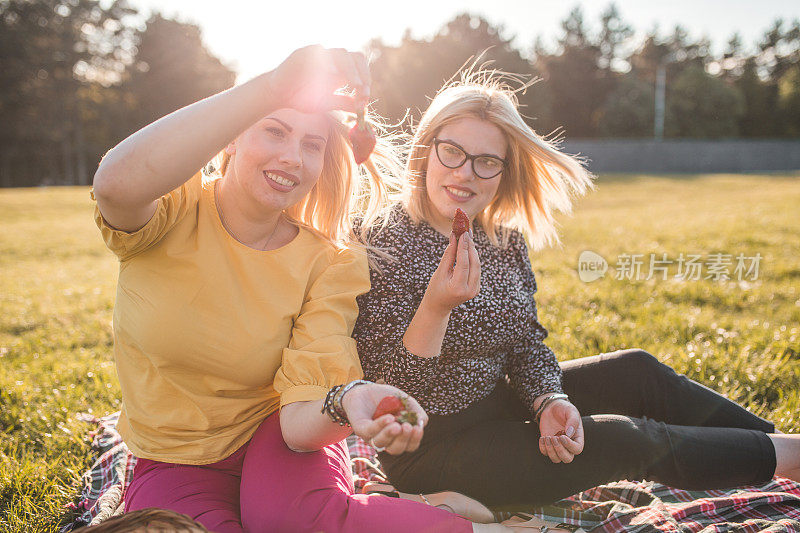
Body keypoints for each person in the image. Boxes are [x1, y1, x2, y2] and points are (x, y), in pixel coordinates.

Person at [91, 45, 517, 533]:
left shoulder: (329, 262)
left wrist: (348, 401)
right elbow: (115, 185)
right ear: (231, 137)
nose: (292, 157)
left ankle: (467, 524)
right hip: (174, 457)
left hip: (280, 437)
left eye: (312, 144)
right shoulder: (169, 211)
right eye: (274, 131)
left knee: (292, 522)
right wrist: (271, 87)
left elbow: (297, 424)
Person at [351, 72, 800, 512]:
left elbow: (525, 343)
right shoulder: (380, 239)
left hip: (498, 405)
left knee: (635, 369)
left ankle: (770, 447)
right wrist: (436, 307)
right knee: (626, 438)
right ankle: (789, 459)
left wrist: (550, 399)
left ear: (504, 172)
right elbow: (393, 395)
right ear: (425, 152)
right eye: (452, 152)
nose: (465, 174)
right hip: (432, 448)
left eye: (487, 161)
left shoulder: (501, 239)